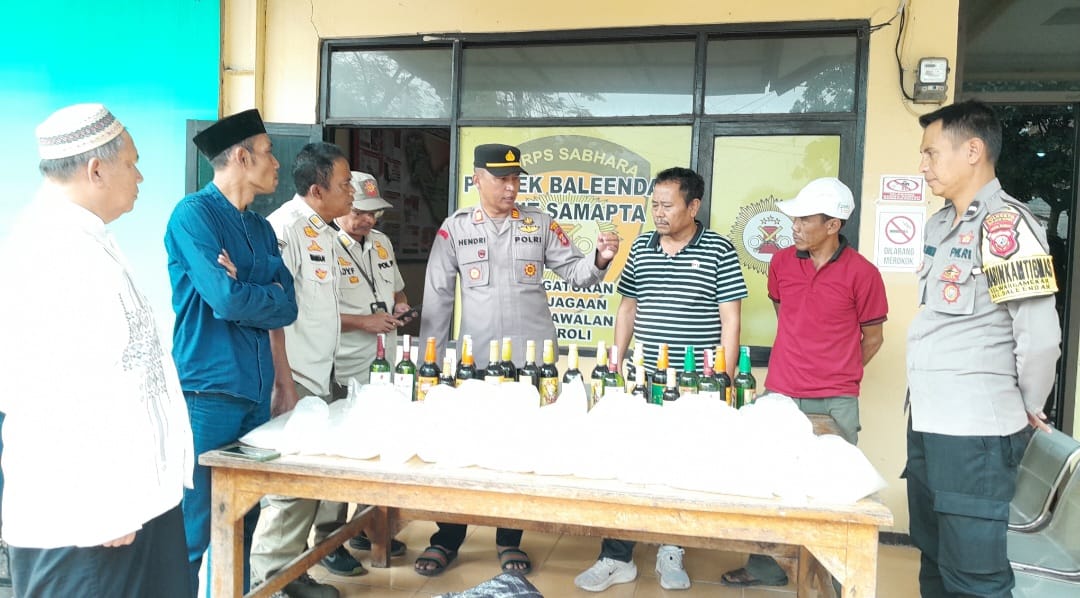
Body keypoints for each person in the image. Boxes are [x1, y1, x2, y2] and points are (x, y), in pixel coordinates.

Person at [0, 104, 194, 596]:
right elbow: (47, 392)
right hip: (90, 520)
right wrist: (105, 506)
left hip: (135, 503)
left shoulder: (87, 239)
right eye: (132, 162)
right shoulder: (48, 251)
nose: (141, 175)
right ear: (96, 169)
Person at [417, 143, 619, 577]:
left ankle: (510, 539)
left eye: (516, 179)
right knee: (464, 447)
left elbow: (576, 274)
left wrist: (600, 258)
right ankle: (447, 537)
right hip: (477, 363)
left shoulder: (541, 225)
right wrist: (428, 365)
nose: (511, 187)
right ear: (477, 180)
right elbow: (437, 300)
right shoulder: (455, 230)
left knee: (521, 448)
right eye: (502, 179)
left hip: (532, 365)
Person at [905, 100, 1060, 597]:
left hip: (973, 434)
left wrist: (1029, 406)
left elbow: (1038, 337)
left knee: (974, 576)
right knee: (932, 557)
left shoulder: (1006, 226)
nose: (923, 165)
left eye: (931, 153)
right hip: (928, 422)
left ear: (973, 150)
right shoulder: (938, 225)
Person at [574, 166, 747, 592]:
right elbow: (628, 307)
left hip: (693, 384)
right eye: (654, 204)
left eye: (667, 205)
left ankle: (672, 550)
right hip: (644, 380)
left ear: (693, 206)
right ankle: (616, 556)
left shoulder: (720, 250)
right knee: (628, 462)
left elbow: (730, 318)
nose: (659, 213)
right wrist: (615, 361)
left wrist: (722, 378)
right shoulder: (642, 250)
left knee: (682, 464)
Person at [720, 177, 888, 589]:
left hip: (836, 400)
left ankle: (830, 570)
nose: (794, 225)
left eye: (804, 219)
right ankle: (764, 566)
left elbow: (873, 337)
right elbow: (785, 311)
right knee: (769, 480)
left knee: (834, 489)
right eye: (793, 218)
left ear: (833, 225)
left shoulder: (863, 274)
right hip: (780, 390)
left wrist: (839, 371)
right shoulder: (780, 262)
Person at [165, 108, 299, 596]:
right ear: (241, 157)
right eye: (268, 153)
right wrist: (252, 290)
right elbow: (223, 300)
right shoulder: (193, 215)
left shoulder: (260, 228)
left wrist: (246, 283)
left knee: (243, 520)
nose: (276, 164)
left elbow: (289, 306)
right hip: (208, 390)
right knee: (194, 527)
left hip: (255, 391)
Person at [249, 142, 369, 598]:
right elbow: (276, 312)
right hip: (295, 375)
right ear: (318, 190)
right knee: (288, 489)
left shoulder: (324, 231)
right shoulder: (285, 228)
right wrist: (284, 382)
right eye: (344, 186)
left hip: (321, 375)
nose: (352, 194)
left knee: (308, 484)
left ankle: (292, 574)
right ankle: (270, 584)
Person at [332, 171, 411, 557]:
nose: (369, 221)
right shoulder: (326, 244)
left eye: (374, 214)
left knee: (380, 448)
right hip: (344, 365)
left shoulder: (380, 242)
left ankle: (370, 529)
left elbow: (396, 288)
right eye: (362, 213)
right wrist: (363, 322)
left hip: (386, 364)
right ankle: (331, 543)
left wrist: (400, 305)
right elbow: (313, 311)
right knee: (340, 453)